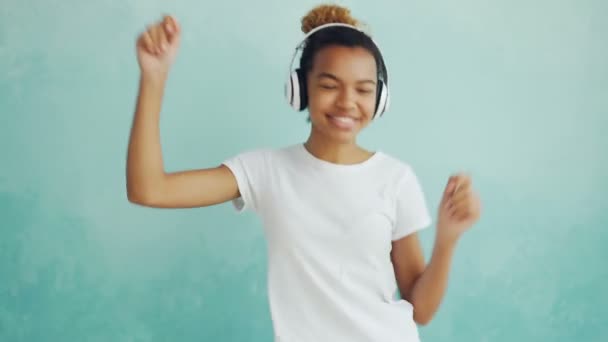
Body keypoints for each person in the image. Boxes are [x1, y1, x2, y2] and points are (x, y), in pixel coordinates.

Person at [126, 4, 481, 341]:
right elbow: (149, 189)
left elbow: (421, 310)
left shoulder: (395, 179)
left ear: (380, 98)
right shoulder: (265, 171)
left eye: (363, 89)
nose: (346, 102)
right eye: (329, 85)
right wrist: (154, 78)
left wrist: (447, 240)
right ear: (300, 88)